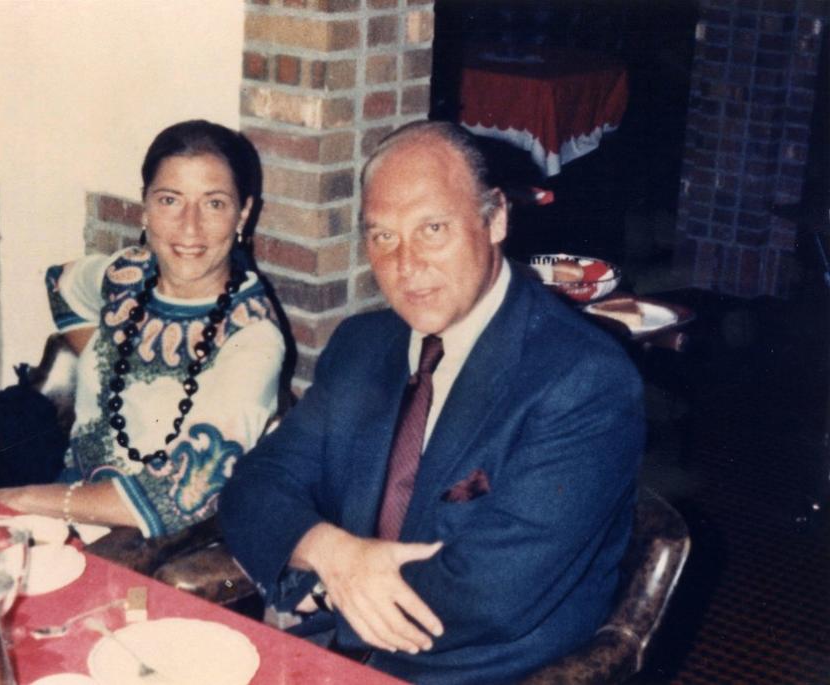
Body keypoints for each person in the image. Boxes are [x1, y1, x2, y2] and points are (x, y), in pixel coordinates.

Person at [219, 121, 644, 684]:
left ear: (495, 219)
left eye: (433, 229)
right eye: (383, 236)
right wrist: (330, 552)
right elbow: (254, 486)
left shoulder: (583, 380)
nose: (405, 264)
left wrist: (324, 592)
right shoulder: (363, 346)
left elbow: (490, 594)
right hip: (330, 658)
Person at [0, 120, 285, 538]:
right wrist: (108, 362)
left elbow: (180, 495)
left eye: (214, 203)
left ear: (244, 212)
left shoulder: (252, 338)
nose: (189, 227)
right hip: (62, 510)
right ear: (145, 205)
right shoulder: (128, 272)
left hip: (148, 546)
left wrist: (21, 500)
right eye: (169, 200)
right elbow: (62, 285)